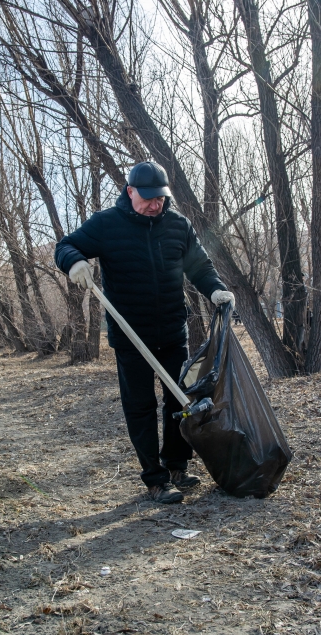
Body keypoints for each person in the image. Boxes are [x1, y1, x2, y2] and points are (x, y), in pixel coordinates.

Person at [54, 161, 232, 504]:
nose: (155, 205)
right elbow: (64, 246)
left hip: (171, 329)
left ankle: (177, 465)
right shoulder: (107, 224)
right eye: (148, 198)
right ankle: (155, 479)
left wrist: (215, 290)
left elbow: (199, 265)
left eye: (160, 198)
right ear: (130, 191)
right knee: (140, 406)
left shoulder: (178, 226)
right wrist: (75, 262)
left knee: (180, 401)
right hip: (130, 335)